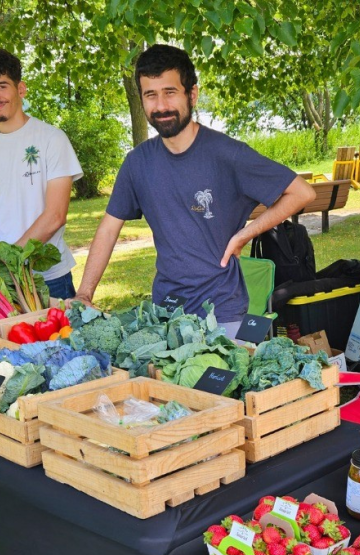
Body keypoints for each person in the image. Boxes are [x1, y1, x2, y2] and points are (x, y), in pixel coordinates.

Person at [74, 45, 315, 338]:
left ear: (192, 94)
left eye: (170, 92)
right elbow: (109, 229)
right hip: (166, 313)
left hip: (222, 313)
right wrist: (85, 294)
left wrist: (245, 234)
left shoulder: (228, 155)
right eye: (151, 95)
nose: (160, 105)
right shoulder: (137, 163)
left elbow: (302, 193)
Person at [0, 48, 83, 299]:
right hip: (1, 281)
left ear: (21, 89)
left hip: (49, 279)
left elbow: (55, 215)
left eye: (2, 86)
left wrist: (11, 263)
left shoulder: (52, 139)